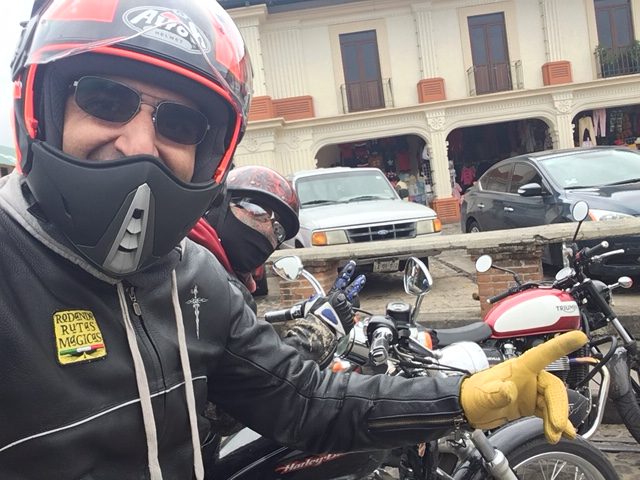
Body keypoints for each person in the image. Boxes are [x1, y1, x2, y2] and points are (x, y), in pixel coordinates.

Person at [0, 1, 586, 479]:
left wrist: (459, 400)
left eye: (179, 123)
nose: (138, 142)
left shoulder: (194, 279)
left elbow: (305, 401)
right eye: (105, 100)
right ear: (41, 106)